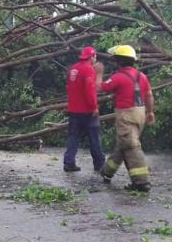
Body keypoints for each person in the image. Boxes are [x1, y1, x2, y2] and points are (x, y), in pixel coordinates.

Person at [94, 45, 155, 192]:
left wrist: (98, 73)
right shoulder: (142, 76)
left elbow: (98, 88)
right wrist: (150, 112)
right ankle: (107, 172)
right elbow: (149, 95)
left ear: (118, 62)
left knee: (131, 146)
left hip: (126, 115)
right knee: (124, 144)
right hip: (140, 114)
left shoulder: (118, 77)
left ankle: (141, 182)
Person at [63, 46, 105, 172]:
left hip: (73, 109)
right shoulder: (88, 69)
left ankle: (69, 163)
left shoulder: (72, 69)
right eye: (95, 56)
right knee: (94, 137)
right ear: (92, 56)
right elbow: (90, 91)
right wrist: (94, 107)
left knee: (73, 136)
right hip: (87, 110)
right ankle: (99, 164)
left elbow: (69, 88)